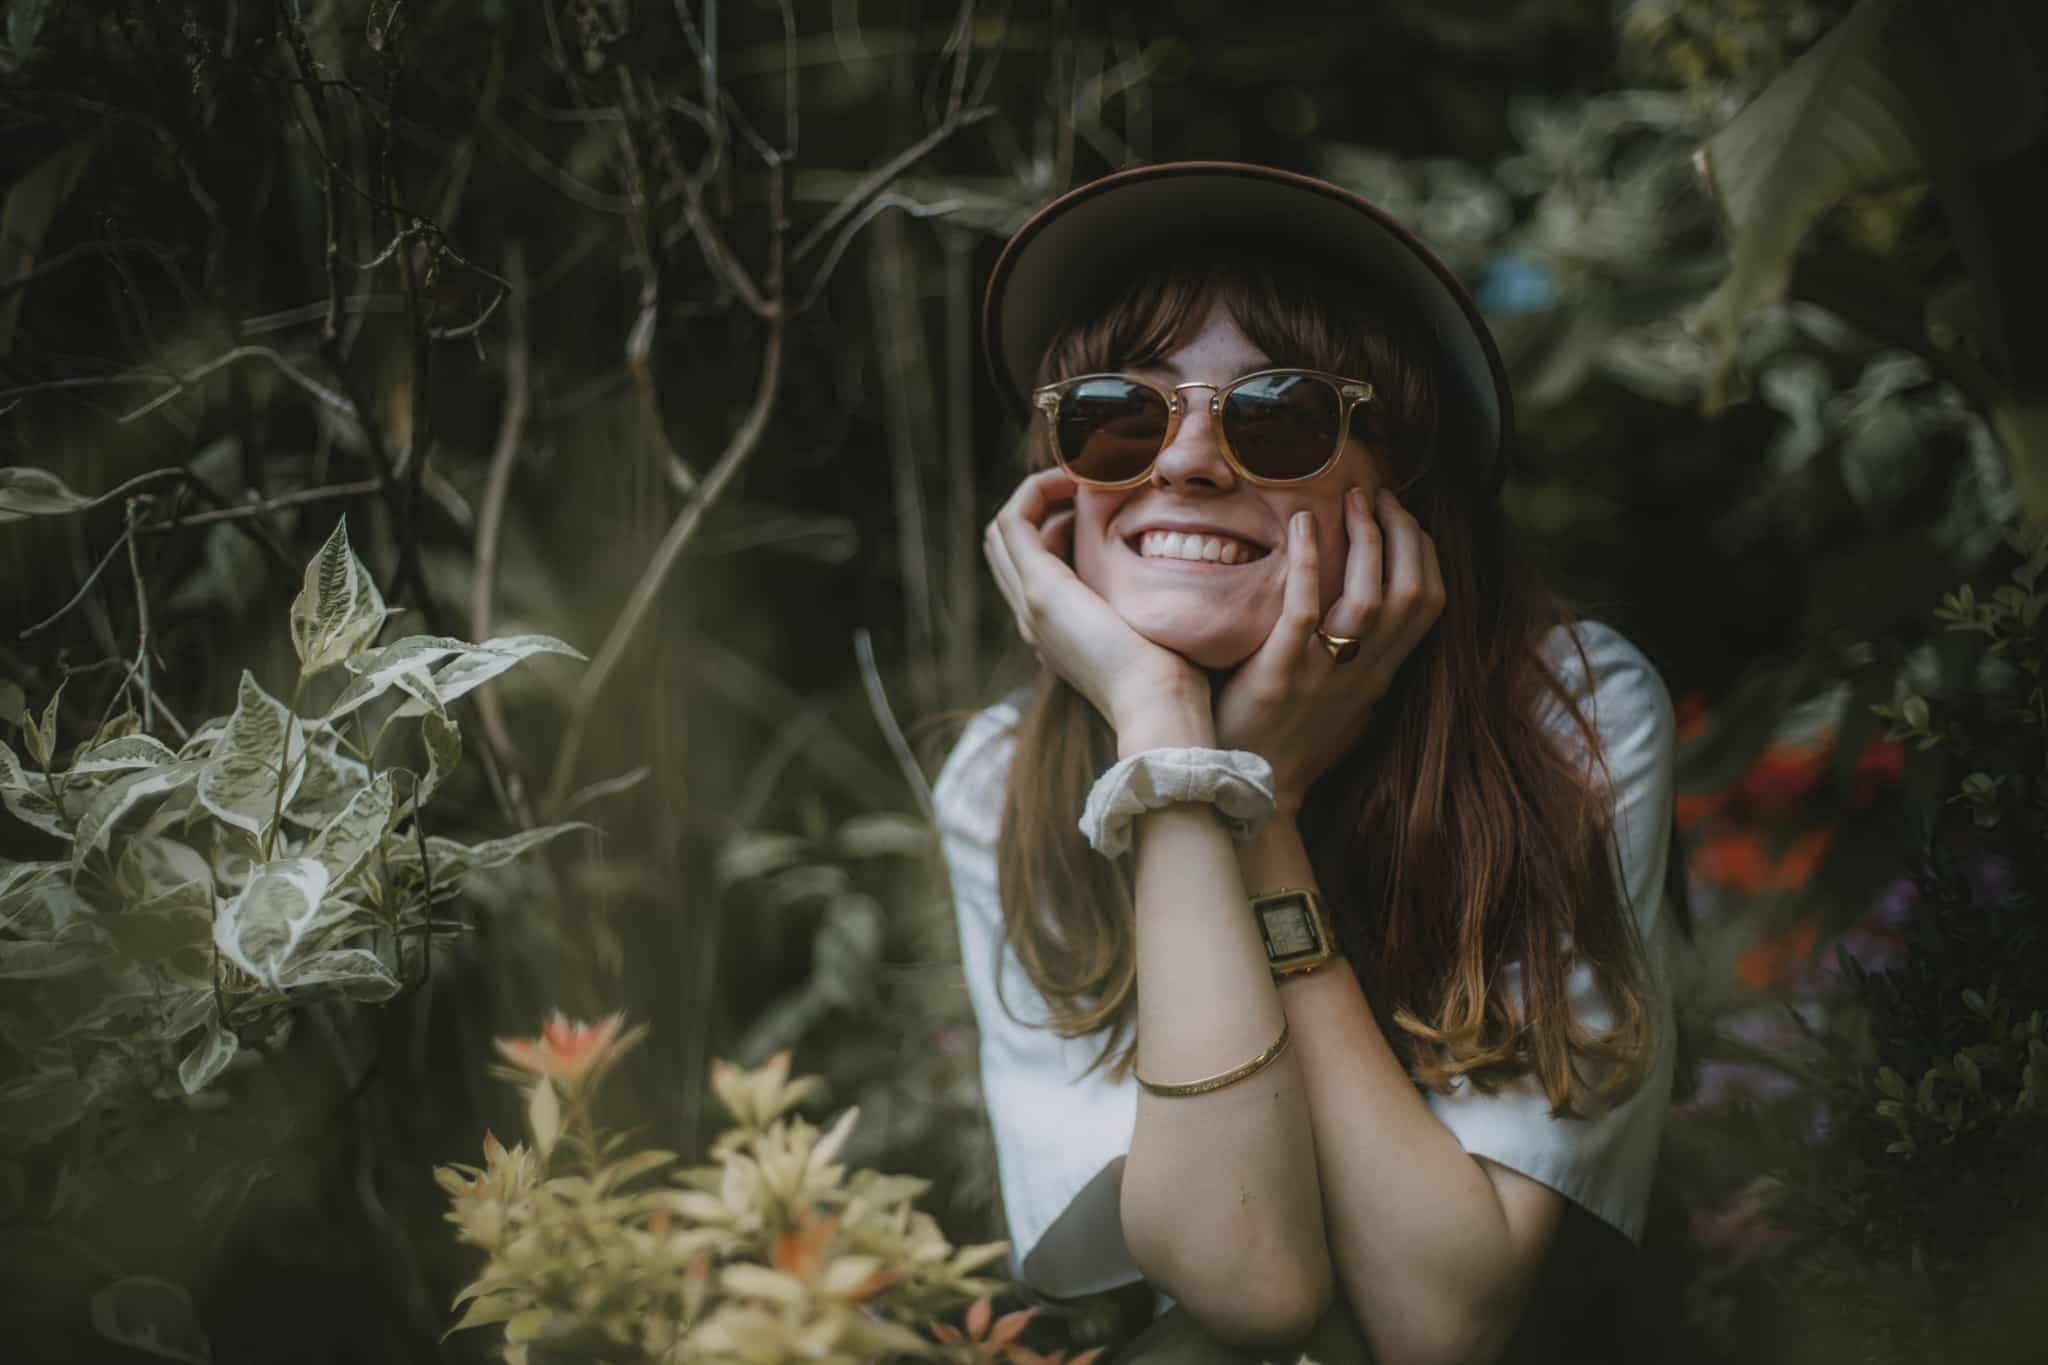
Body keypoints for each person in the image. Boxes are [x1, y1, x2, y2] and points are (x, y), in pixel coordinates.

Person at [932, 162, 1688, 1363]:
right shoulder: (994, 781)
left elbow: (1445, 1315)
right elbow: (1246, 1283)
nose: (1180, 464)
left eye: (1275, 414)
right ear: (1052, 482)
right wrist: (1162, 726)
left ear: (1402, 493)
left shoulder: (1566, 721)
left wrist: (1262, 803)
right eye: (1117, 412)